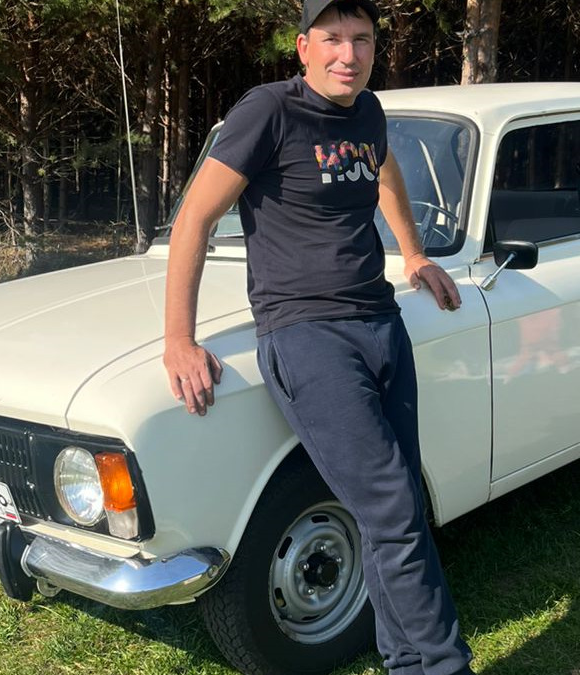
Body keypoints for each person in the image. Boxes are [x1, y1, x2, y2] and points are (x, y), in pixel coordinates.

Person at [162, 1, 475, 673]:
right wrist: (178, 340)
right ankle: (444, 665)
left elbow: (385, 172)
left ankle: (409, 661)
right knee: (392, 509)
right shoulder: (268, 112)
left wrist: (414, 254)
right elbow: (195, 218)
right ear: (303, 47)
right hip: (307, 334)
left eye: (361, 39)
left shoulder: (368, 112)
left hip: (380, 323)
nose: (348, 54)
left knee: (396, 511)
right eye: (332, 39)